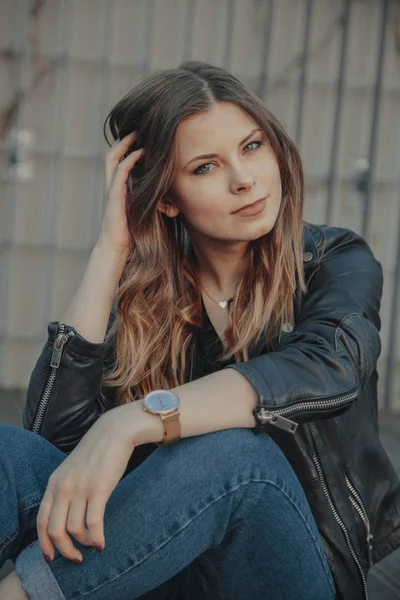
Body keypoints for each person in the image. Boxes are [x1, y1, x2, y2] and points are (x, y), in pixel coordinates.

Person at [0, 60, 398, 600]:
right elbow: (62, 453)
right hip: (168, 563)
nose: (245, 178)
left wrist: (132, 422)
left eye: (253, 146)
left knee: (234, 455)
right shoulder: (148, 297)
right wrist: (109, 253)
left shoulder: (333, 261)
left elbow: (329, 367)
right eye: (206, 167)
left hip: (296, 570)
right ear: (166, 198)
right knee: (8, 453)